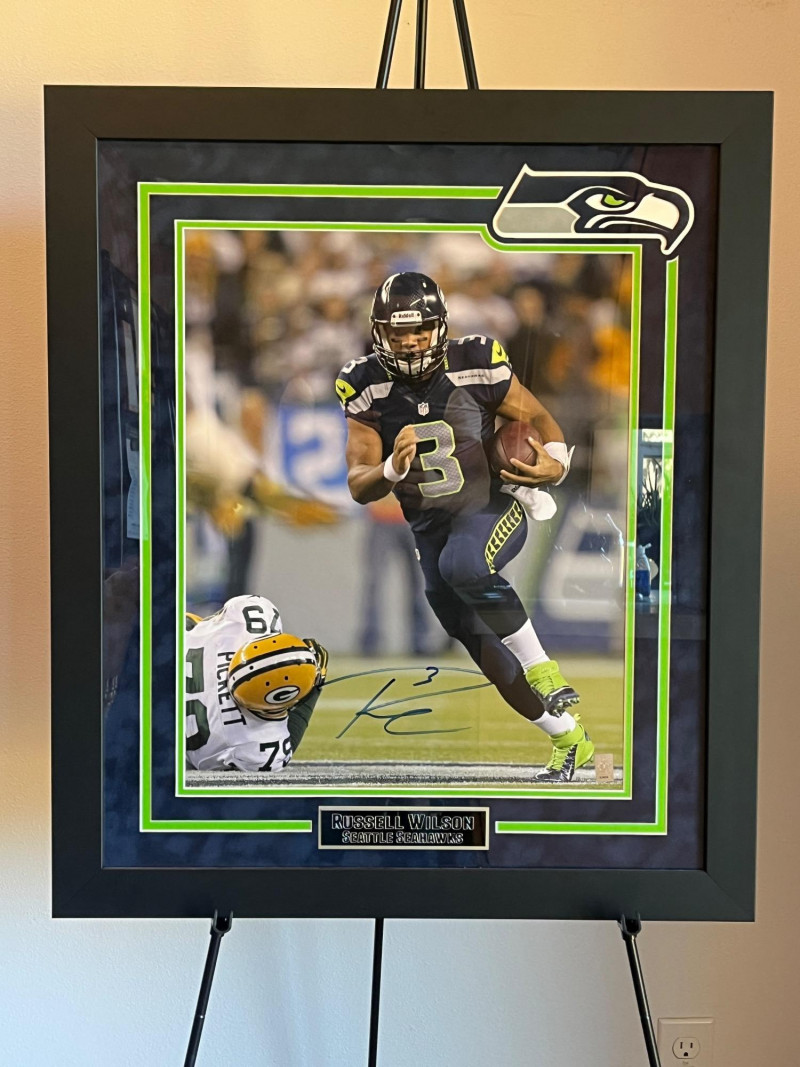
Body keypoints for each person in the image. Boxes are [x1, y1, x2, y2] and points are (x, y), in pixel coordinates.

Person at [336, 272, 594, 782]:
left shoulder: (476, 361)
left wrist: (557, 463)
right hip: (429, 528)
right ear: (379, 332)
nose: (410, 342)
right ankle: (569, 738)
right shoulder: (364, 384)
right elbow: (358, 484)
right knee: (475, 640)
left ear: (440, 327)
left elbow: (540, 418)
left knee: (465, 564)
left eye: (420, 330)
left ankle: (543, 670)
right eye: (398, 332)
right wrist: (391, 468)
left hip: (491, 506)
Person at [185, 594, 328, 773]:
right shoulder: (253, 747)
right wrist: (314, 689)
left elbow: (196, 624)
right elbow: (284, 749)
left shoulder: (252, 613)